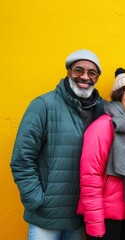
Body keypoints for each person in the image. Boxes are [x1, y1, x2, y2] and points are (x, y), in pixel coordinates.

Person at [10, 49, 105, 240]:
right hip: (46, 216)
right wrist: (36, 200)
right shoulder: (43, 105)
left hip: (79, 217)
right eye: (79, 70)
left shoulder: (101, 110)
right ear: (69, 71)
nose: (85, 77)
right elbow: (22, 158)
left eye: (91, 73)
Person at [77, 68, 125, 240]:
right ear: (118, 94)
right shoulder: (103, 126)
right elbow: (90, 177)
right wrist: (95, 226)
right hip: (104, 219)